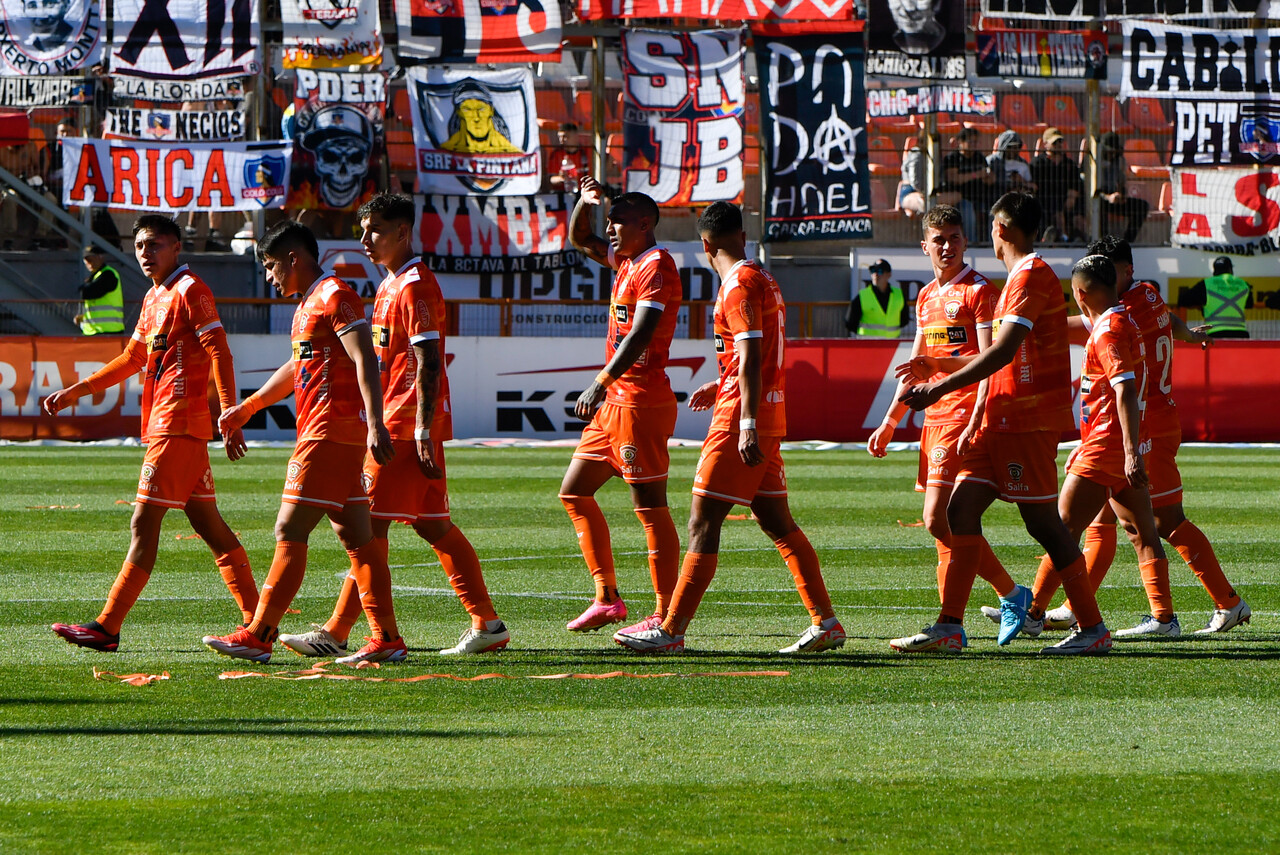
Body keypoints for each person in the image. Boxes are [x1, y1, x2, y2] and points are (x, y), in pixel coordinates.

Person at [277, 194, 510, 658]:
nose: (365, 239)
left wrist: (421, 428)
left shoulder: (414, 286)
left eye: (376, 230)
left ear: (403, 232)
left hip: (404, 427)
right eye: (363, 230)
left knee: (367, 530)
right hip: (407, 424)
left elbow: (429, 361)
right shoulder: (392, 283)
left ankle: (343, 631)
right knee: (434, 525)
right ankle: (487, 622)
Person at [613, 201, 845, 653]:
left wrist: (747, 422)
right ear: (741, 234)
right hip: (762, 410)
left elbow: (754, 355)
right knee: (777, 522)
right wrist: (720, 384)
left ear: (705, 244)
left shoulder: (737, 285)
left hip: (743, 418)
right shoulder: (761, 277)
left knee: (703, 520)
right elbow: (750, 355)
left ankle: (672, 630)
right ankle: (825, 621)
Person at [996, 237, 1250, 635]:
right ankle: (1063, 606)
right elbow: (1170, 322)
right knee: (1104, 521)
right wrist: (1189, 335)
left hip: (1140, 429)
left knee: (1159, 522)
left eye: (1109, 272)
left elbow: (1115, 370)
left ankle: (1222, 602)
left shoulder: (1118, 313)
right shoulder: (1148, 295)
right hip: (1139, 424)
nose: (1105, 280)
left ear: (1125, 272)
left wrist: (1026, 326)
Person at [893, 191, 1111, 655]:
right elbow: (1004, 353)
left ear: (1000, 230)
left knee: (1046, 527)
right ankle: (950, 625)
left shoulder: (1028, 275)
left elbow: (1003, 352)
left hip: (1027, 422)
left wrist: (940, 386)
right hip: (1001, 419)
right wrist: (942, 373)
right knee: (958, 511)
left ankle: (1092, 628)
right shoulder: (1021, 276)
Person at [44, 214, 258, 652]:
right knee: (210, 526)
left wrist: (231, 411)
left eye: (155, 245)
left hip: (178, 424)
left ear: (176, 247)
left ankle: (107, 626)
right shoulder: (153, 297)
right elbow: (131, 358)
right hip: (172, 425)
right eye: (140, 245)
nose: (145, 253)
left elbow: (219, 350)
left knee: (144, 521)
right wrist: (77, 391)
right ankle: (259, 622)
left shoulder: (191, 290)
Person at [207, 221, 406, 665]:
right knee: (359, 539)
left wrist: (375, 423)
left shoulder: (334, 295)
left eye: (273, 266)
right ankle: (387, 638)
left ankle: (259, 634)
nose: (270, 276)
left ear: (294, 258)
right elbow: (296, 368)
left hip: (328, 434)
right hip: (330, 433)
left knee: (289, 530)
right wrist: (249, 407)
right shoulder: (308, 304)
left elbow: (365, 358)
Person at [868, 204, 1030, 645]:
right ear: (925, 246)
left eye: (954, 237)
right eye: (938, 239)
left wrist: (976, 413)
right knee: (943, 525)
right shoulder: (924, 297)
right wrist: (890, 420)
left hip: (962, 414)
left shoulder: (979, 291)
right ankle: (1007, 597)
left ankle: (954, 622)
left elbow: (987, 360)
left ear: (965, 242)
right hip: (933, 418)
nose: (947, 245)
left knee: (939, 518)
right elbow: (916, 368)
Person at [559, 174, 682, 636]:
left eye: (619, 221)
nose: (609, 229)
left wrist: (600, 380)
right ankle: (607, 598)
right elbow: (579, 238)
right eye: (609, 221)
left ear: (646, 223)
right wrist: (583, 201)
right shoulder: (626, 261)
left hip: (640, 402)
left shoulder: (656, 264)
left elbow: (643, 331)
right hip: (616, 403)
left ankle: (665, 614)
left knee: (649, 507)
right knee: (574, 492)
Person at [1177, 256, 1253, 340]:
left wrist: (1200, 306)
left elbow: (1183, 300)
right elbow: (1250, 304)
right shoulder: (1243, 284)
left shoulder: (1206, 284)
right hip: (1240, 334)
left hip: (1215, 333)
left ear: (1214, 271)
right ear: (1230, 269)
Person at [1030, 127, 1085, 244]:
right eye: (1055, 142)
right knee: (1056, 207)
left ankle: (1080, 238)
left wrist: (1072, 197)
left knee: (1080, 207)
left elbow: (1077, 185)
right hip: (1045, 200)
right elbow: (1034, 185)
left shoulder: (1069, 164)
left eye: (1060, 141)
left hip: (1066, 199)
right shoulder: (1037, 163)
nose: (1059, 145)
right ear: (1045, 144)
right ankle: (1062, 238)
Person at [941, 127, 995, 241]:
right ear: (961, 142)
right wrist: (976, 175)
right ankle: (971, 243)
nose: (974, 145)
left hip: (981, 197)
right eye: (971, 141)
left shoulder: (979, 157)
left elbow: (989, 178)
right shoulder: (952, 158)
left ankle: (991, 244)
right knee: (968, 210)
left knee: (994, 211)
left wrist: (988, 177)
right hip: (960, 199)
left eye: (976, 142)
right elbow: (954, 178)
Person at [1097, 132, 1148, 244]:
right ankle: (1103, 243)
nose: (1112, 155)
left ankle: (1127, 243)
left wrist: (1121, 195)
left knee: (1142, 206)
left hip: (1114, 196)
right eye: (1109, 152)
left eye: (1114, 152)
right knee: (1098, 204)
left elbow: (1120, 182)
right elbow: (1091, 190)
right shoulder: (1094, 163)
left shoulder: (1119, 161)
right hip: (1099, 197)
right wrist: (1108, 197)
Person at [845, 258, 909, 338]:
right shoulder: (863, 295)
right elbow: (850, 322)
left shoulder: (898, 294)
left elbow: (905, 319)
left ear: (889, 274)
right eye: (873, 270)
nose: (875, 274)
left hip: (892, 345)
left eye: (880, 271)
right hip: (869, 346)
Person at [75, 245, 124, 335]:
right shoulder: (95, 276)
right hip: (94, 330)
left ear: (100, 257)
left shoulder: (108, 275)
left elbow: (87, 293)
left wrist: (83, 288)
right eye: (86, 260)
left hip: (108, 331)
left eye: (91, 259)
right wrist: (83, 317)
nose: (89, 263)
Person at [986, 129, 1035, 196]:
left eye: (1016, 147)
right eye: (1010, 147)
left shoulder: (1023, 163)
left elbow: (1032, 186)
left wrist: (1021, 181)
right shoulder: (992, 161)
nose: (1013, 150)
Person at [546, 122, 589, 193]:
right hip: (565, 193)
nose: (561, 140)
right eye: (560, 137)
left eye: (565, 137)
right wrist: (561, 178)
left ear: (576, 137)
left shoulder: (587, 152)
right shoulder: (556, 154)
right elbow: (551, 179)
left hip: (585, 191)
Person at [898, 128, 926, 218]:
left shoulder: (935, 154)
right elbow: (915, 182)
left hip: (926, 192)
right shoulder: (916, 154)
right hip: (910, 191)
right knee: (927, 204)